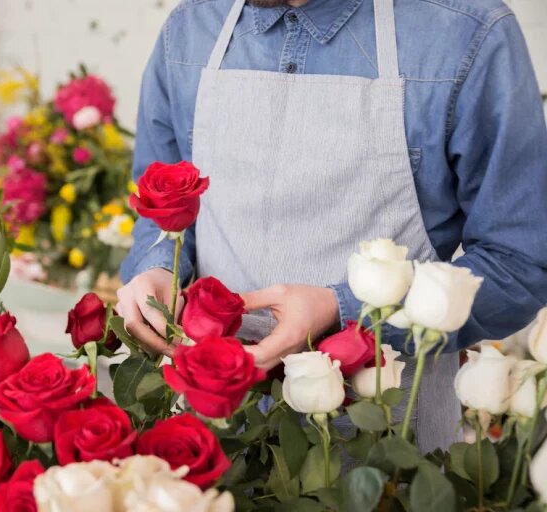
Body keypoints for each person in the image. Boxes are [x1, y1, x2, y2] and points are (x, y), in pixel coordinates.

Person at [118, 0, 547, 451]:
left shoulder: (465, 33)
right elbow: (156, 213)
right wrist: (158, 269)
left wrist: (346, 309)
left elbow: (520, 262)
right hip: (209, 444)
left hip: (386, 450)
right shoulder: (190, 29)